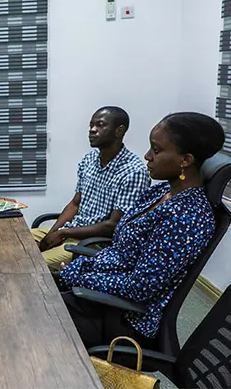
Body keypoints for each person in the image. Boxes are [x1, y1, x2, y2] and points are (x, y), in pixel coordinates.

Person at [57, 112, 225, 348]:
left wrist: (80, 277)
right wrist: (80, 272)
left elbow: (139, 288)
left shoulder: (186, 217)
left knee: (32, 316)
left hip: (122, 320)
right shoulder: (161, 193)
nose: (147, 156)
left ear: (185, 160)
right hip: (101, 296)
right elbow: (123, 252)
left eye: (156, 150)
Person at [33, 106, 150, 270]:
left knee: (31, 263)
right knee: (15, 242)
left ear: (119, 130)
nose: (92, 130)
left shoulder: (134, 172)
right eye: (91, 125)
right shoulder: (89, 159)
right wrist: (53, 233)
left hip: (95, 243)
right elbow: (75, 204)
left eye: (100, 125)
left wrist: (63, 233)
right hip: (72, 230)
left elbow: (113, 226)